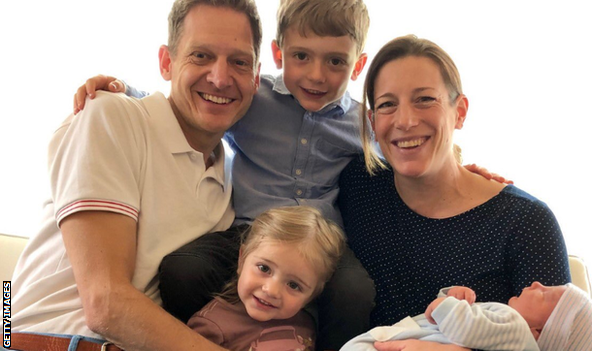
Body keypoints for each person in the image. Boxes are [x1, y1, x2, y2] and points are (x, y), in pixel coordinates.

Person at [72, 1, 377, 348]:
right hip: (249, 234)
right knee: (183, 270)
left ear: (358, 65)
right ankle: (215, 332)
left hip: (322, 243)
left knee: (355, 292)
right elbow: (181, 107)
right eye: (302, 57)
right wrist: (124, 89)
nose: (316, 75)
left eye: (336, 61)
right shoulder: (252, 98)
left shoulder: (363, 124)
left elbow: (401, 150)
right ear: (279, 54)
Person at [8, 1, 262, 350]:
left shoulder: (232, 176)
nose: (220, 78)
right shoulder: (110, 116)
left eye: (239, 62)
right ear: (166, 63)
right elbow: (105, 303)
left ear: (257, 78)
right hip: (50, 339)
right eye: (200, 56)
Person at [337, 34, 572, 350]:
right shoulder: (358, 184)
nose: (405, 120)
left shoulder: (525, 222)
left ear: (459, 112)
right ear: (373, 122)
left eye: (424, 99)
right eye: (387, 104)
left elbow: (564, 343)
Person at [187, 205, 345, 351]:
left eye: (293, 285)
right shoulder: (212, 326)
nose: (271, 290)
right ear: (242, 260)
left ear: (312, 295)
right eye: (264, 268)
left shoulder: (308, 322)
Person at [341, 283, 592, 351]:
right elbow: (456, 328)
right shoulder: (504, 330)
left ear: (539, 332)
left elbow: (458, 323)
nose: (536, 284)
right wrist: (453, 297)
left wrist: (447, 303)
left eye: (546, 295)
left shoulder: (516, 328)